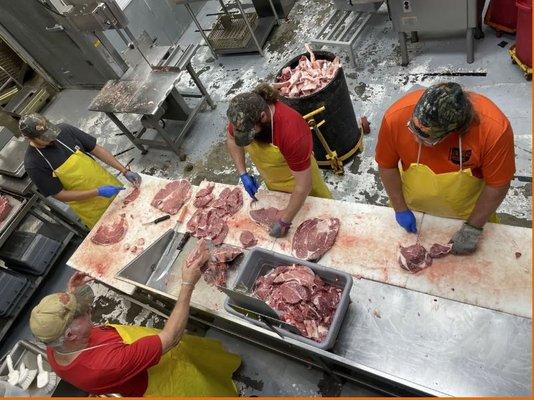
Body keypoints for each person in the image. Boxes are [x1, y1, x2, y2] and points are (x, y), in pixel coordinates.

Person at [29, 239, 241, 397]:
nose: (87, 309)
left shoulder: (54, 342)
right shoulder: (106, 365)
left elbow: (68, 319)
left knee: (202, 361)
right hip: (164, 381)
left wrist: (73, 294)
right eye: (80, 313)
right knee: (204, 387)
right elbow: (171, 338)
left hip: (142, 348)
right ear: (70, 334)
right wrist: (188, 284)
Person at [375, 82, 515, 255]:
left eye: (428, 140)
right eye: (413, 131)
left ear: (455, 131)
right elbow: (386, 165)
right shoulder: (395, 117)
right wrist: (400, 208)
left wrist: (472, 228)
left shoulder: (494, 130)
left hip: (468, 212)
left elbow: (498, 184)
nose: (417, 141)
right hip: (415, 208)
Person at [226, 83, 332, 238]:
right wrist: (243, 173)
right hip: (273, 181)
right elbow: (231, 139)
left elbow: (304, 186)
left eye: (251, 132)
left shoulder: (291, 131)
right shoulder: (243, 117)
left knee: (322, 221)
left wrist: (284, 221)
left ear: (263, 116)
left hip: (303, 182)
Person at [19, 113, 142, 229]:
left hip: (110, 185)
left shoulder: (64, 130)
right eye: (44, 137)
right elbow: (60, 195)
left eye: (50, 132)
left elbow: (96, 149)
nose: (52, 138)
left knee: (139, 217)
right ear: (29, 138)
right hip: (91, 208)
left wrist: (124, 171)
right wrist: (97, 192)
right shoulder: (33, 163)